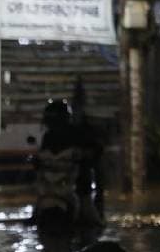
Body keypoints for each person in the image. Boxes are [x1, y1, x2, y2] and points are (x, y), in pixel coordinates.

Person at [32, 98, 105, 231]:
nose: (53, 125)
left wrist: (85, 155)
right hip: (53, 183)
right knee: (39, 202)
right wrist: (36, 161)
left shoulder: (79, 133)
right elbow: (43, 155)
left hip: (79, 184)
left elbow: (97, 149)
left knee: (91, 219)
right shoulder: (48, 137)